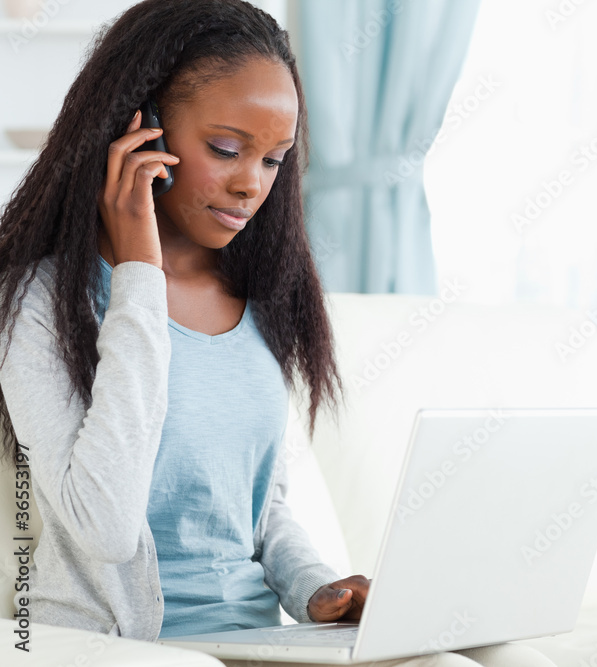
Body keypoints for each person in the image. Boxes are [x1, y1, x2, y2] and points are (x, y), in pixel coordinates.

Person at [0, 1, 554, 665]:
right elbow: (105, 526)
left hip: (256, 641)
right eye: (226, 149)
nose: (250, 185)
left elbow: (259, 509)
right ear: (138, 130)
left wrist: (316, 588)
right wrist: (139, 274)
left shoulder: (260, 295)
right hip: (128, 645)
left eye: (274, 160)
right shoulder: (35, 300)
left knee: (493, 658)